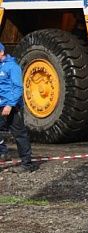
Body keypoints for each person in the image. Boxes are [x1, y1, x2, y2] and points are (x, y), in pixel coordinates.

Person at [0, 43, 38, 173]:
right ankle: (3, 153)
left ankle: (27, 164)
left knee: (19, 134)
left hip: (10, 107)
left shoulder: (13, 67)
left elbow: (18, 88)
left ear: (1, 52)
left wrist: (10, 105)